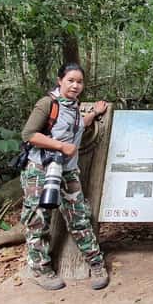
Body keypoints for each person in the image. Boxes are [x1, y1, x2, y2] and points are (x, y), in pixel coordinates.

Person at [19, 62, 109, 291]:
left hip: (68, 171)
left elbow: (78, 125)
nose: (75, 85)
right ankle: (41, 270)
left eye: (79, 82)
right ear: (60, 81)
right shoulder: (48, 103)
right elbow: (29, 134)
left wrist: (95, 113)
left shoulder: (74, 108)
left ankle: (96, 264)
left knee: (80, 216)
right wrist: (60, 146)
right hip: (41, 170)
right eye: (71, 80)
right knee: (38, 220)